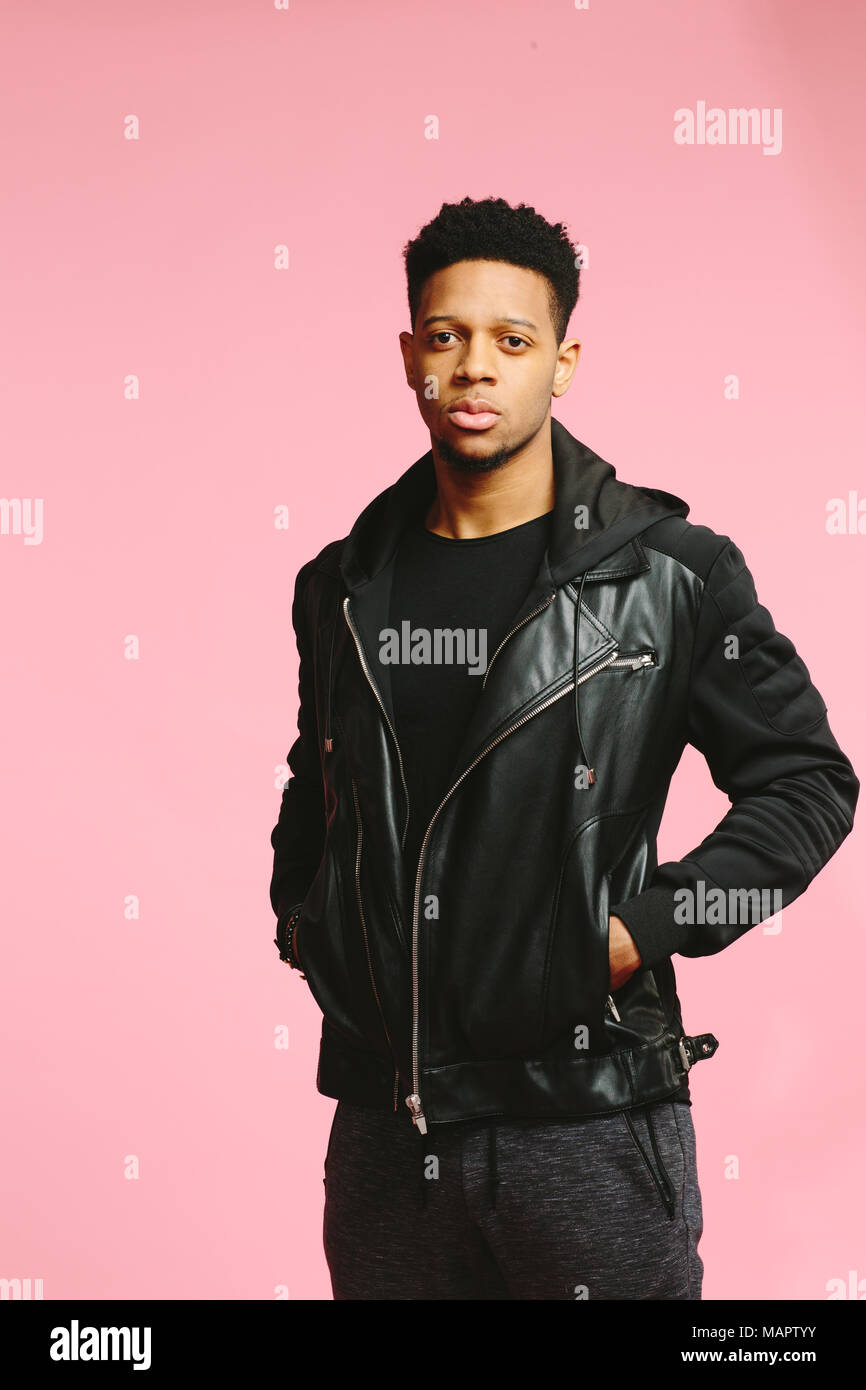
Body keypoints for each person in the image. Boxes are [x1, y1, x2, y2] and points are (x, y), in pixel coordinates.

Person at [268, 196, 858, 1300]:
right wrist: (305, 921)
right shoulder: (341, 587)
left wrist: (647, 928)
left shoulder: (670, 575)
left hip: (586, 1123)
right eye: (445, 336)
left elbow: (808, 784)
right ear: (409, 357)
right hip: (386, 1140)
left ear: (562, 362)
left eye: (511, 339)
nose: (475, 367)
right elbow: (320, 780)